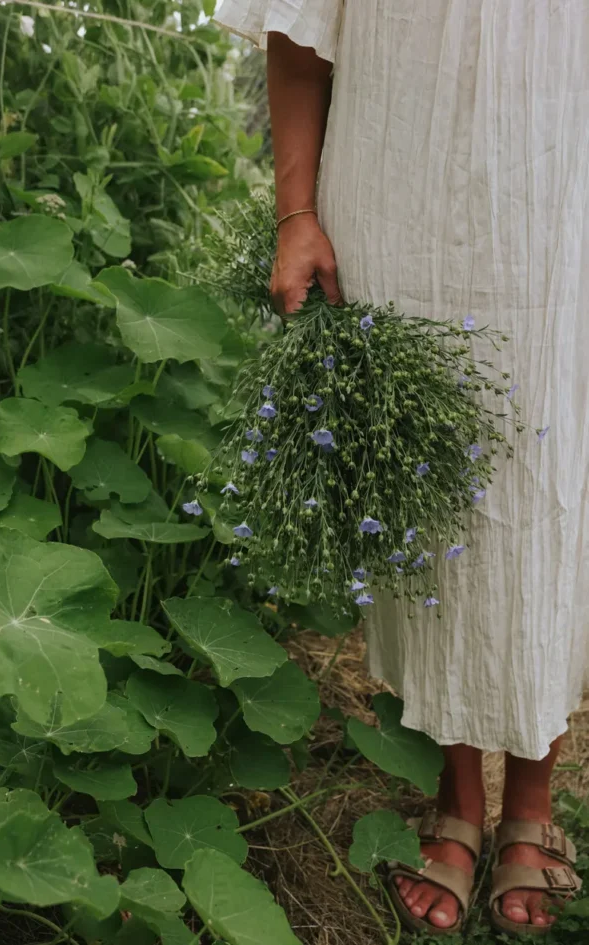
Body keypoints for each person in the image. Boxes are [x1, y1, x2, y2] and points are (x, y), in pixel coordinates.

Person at [214, 0, 588, 936]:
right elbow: (299, 25)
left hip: (565, 185)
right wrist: (295, 212)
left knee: (554, 475)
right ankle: (459, 793)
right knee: (432, 493)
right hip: (403, 177)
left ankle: (531, 798)